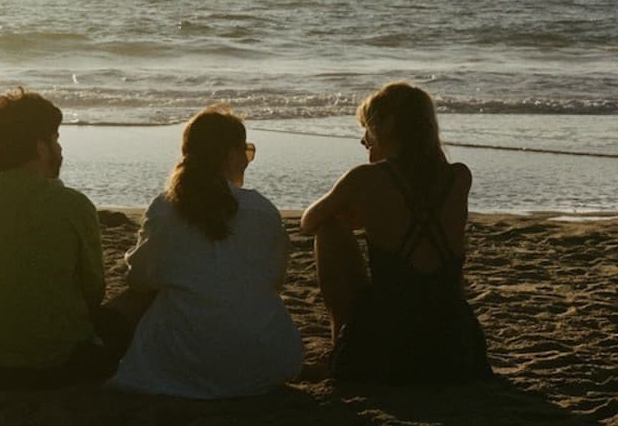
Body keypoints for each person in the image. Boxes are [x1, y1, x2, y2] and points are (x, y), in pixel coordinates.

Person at [300, 82, 490, 384]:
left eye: (367, 130)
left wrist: (353, 217)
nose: (364, 141)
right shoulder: (459, 176)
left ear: (384, 127)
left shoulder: (366, 178)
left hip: (391, 341)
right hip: (455, 341)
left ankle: (342, 345)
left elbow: (308, 221)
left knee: (329, 230)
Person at [109, 108, 303, 399]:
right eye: (246, 151)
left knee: (142, 297)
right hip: (268, 363)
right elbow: (275, 280)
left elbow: (139, 279)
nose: (248, 161)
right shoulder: (262, 209)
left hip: (182, 367)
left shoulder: (166, 207)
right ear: (228, 155)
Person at [0, 90, 128, 387]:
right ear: (41, 147)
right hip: (59, 361)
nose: (59, 148)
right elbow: (93, 290)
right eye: (55, 139)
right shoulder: (74, 204)